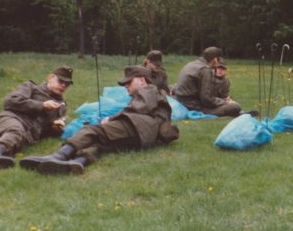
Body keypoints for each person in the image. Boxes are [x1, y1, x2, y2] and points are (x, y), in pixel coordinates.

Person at [20, 65, 179, 175]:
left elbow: (139, 108)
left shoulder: (149, 89)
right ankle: (79, 161)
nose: (126, 86)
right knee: (101, 145)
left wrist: (110, 118)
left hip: (138, 127)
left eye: (129, 82)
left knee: (91, 130)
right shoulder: (155, 93)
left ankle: (58, 156)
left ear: (142, 80)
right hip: (144, 137)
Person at [174, 47, 242, 117]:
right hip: (193, 106)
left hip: (181, 100)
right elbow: (207, 99)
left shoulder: (191, 64)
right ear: (215, 59)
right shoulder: (205, 70)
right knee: (236, 107)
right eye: (219, 60)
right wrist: (225, 102)